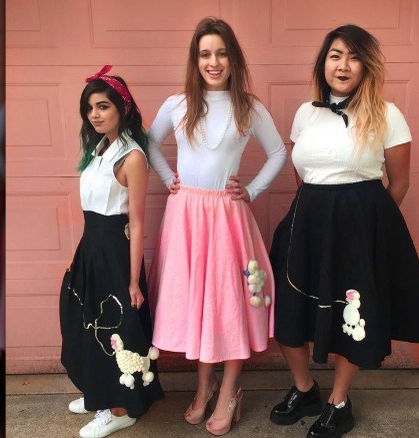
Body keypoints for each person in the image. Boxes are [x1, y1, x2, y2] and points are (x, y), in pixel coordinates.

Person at [267, 25, 419, 438]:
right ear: (323, 62)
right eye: (335, 55)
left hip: (360, 227)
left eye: (353, 56)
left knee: (352, 314)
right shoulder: (306, 113)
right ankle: (305, 388)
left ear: (367, 65)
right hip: (308, 221)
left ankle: (338, 402)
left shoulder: (387, 113)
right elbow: (301, 172)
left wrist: (369, 228)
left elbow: (398, 182)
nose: (343, 65)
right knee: (289, 309)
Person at [146, 16, 287, 436]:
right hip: (185, 216)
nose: (213, 61)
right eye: (205, 53)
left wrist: (253, 190)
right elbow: (148, 142)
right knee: (198, 304)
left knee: (228, 305)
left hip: (227, 219)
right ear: (196, 59)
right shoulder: (177, 104)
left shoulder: (249, 106)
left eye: (221, 53)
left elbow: (279, 152)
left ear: (233, 59)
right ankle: (204, 385)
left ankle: (229, 391)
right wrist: (166, 176)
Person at [59, 65, 164, 438]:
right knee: (85, 317)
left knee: (115, 325)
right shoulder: (99, 149)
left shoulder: (132, 157)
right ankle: (98, 394)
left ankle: (121, 409)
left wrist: (133, 280)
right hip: (92, 243)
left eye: (103, 106)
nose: (95, 114)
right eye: (90, 108)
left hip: (115, 252)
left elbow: (136, 222)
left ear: (122, 108)